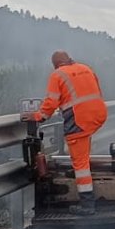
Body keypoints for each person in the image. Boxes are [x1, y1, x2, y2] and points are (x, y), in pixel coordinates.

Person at [32, 51, 107, 216]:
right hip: (98, 115)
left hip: (79, 121)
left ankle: (87, 204)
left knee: (80, 165)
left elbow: (51, 102)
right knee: (82, 149)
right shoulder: (86, 68)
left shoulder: (57, 75)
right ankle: (81, 165)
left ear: (56, 64)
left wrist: (39, 116)